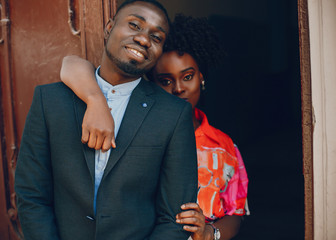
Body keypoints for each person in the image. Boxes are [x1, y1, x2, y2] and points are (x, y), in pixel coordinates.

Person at [14, 1, 198, 239]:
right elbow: (31, 194)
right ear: (109, 27)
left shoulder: (173, 115)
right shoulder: (49, 101)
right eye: (134, 25)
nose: (143, 40)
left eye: (156, 37)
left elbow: (176, 216)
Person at [60, 14, 249, 240]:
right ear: (152, 85)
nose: (179, 89)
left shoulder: (224, 146)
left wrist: (210, 233)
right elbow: (70, 64)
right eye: (166, 81)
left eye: (187, 77)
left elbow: (236, 213)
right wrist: (95, 99)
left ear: (201, 78)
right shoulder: (134, 130)